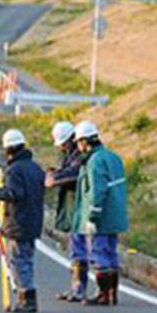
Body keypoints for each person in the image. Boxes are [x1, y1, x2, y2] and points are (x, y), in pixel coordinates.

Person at [0, 129, 46, 313]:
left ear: (8, 149)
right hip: (34, 220)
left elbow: (13, 194)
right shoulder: (35, 168)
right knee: (27, 259)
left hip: (19, 221)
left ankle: (26, 298)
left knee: (18, 261)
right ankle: (26, 296)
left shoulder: (14, 170)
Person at [74, 121, 128, 306]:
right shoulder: (113, 157)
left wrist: (92, 217)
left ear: (84, 141)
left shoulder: (95, 161)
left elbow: (97, 191)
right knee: (111, 253)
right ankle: (112, 293)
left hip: (103, 216)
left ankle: (103, 294)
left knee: (100, 253)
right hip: (116, 214)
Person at [46, 120, 93, 302]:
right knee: (76, 249)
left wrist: (55, 177)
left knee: (79, 250)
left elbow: (74, 174)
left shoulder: (81, 156)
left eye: (64, 144)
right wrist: (56, 172)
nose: (62, 148)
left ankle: (79, 289)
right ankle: (75, 288)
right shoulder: (71, 155)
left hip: (80, 209)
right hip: (75, 208)